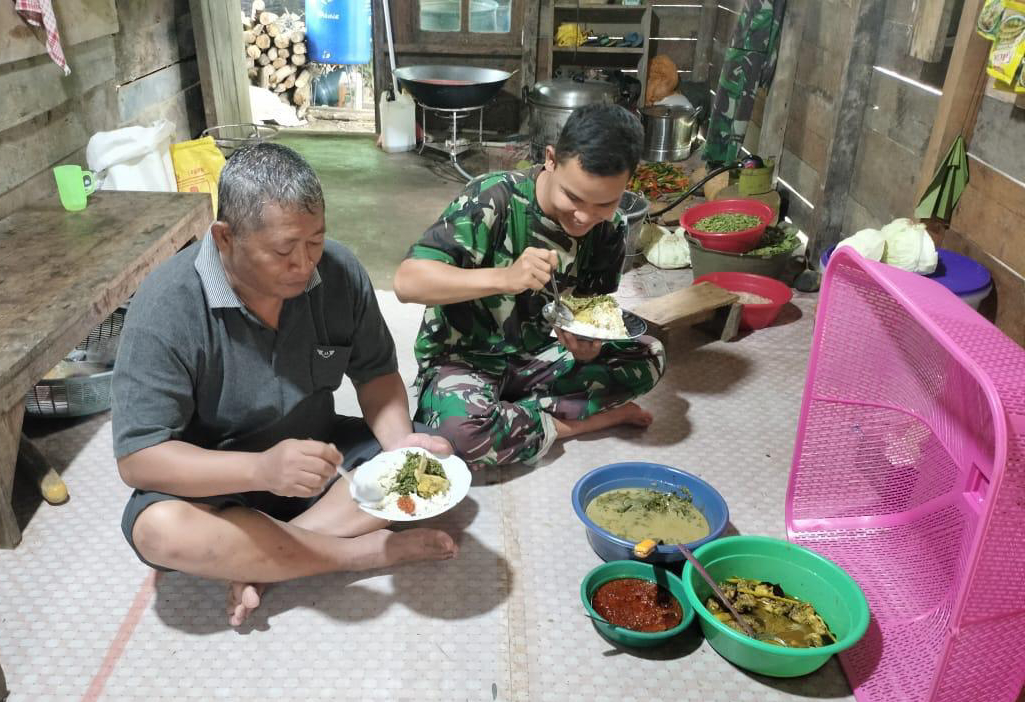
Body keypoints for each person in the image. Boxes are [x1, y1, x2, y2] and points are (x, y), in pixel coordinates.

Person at [112, 143, 457, 628]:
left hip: (319, 463)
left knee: (425, 470)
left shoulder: (338, 273)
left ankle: (261, 562)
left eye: (315, 241)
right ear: (225, 238)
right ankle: (358, 555)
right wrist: (260, 470)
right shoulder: (166, 307)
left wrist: (401, 445)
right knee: (160, 532)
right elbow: (139, 459)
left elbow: (376, 374)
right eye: (283, 249)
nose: (305, 263)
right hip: (217, 484)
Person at [394, 103, 666, 467]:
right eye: (572, 196)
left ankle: (508, 413)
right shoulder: (494, 198)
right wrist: (504, 277)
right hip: (462, 360)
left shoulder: (610, 227)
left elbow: (587, 306)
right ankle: (572, 423)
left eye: (604, 202)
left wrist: (585, 340)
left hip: (533, 358)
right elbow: (407, 282)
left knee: (649, 355)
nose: (584, 216)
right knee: (461, 436)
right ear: (551, 160)